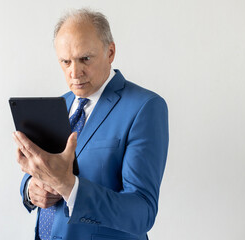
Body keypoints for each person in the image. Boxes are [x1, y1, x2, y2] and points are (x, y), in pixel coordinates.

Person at [13, 8, 169, 240]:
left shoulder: (145, 107)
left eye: (85, 59)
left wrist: (68, 186)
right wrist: (31, 189)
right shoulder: (59, 105)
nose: (74, 72)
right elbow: (45, 171)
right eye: (65, 62)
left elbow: (142, 212)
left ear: (110, 52)